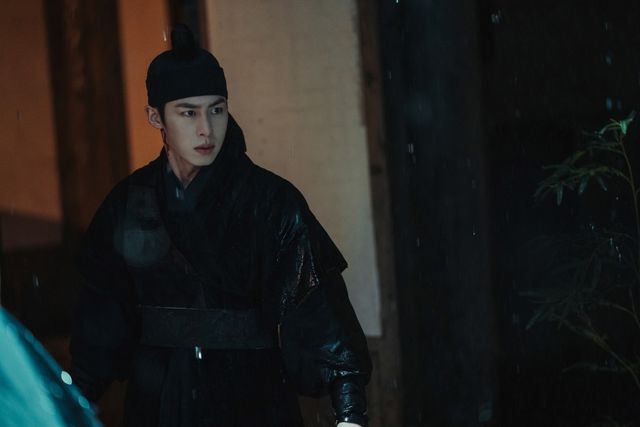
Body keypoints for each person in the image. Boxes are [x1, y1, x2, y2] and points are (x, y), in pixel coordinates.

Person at [69, 24, 371, 427]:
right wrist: (70, 401)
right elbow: (100, 324)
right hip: (158, 396)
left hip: (253, 394)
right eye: (188, 112)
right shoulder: (129, 203)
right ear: (156, 117)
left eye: (216, 109)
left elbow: (320, 310)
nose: (206, 129)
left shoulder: (271, 201)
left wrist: (349, 413)